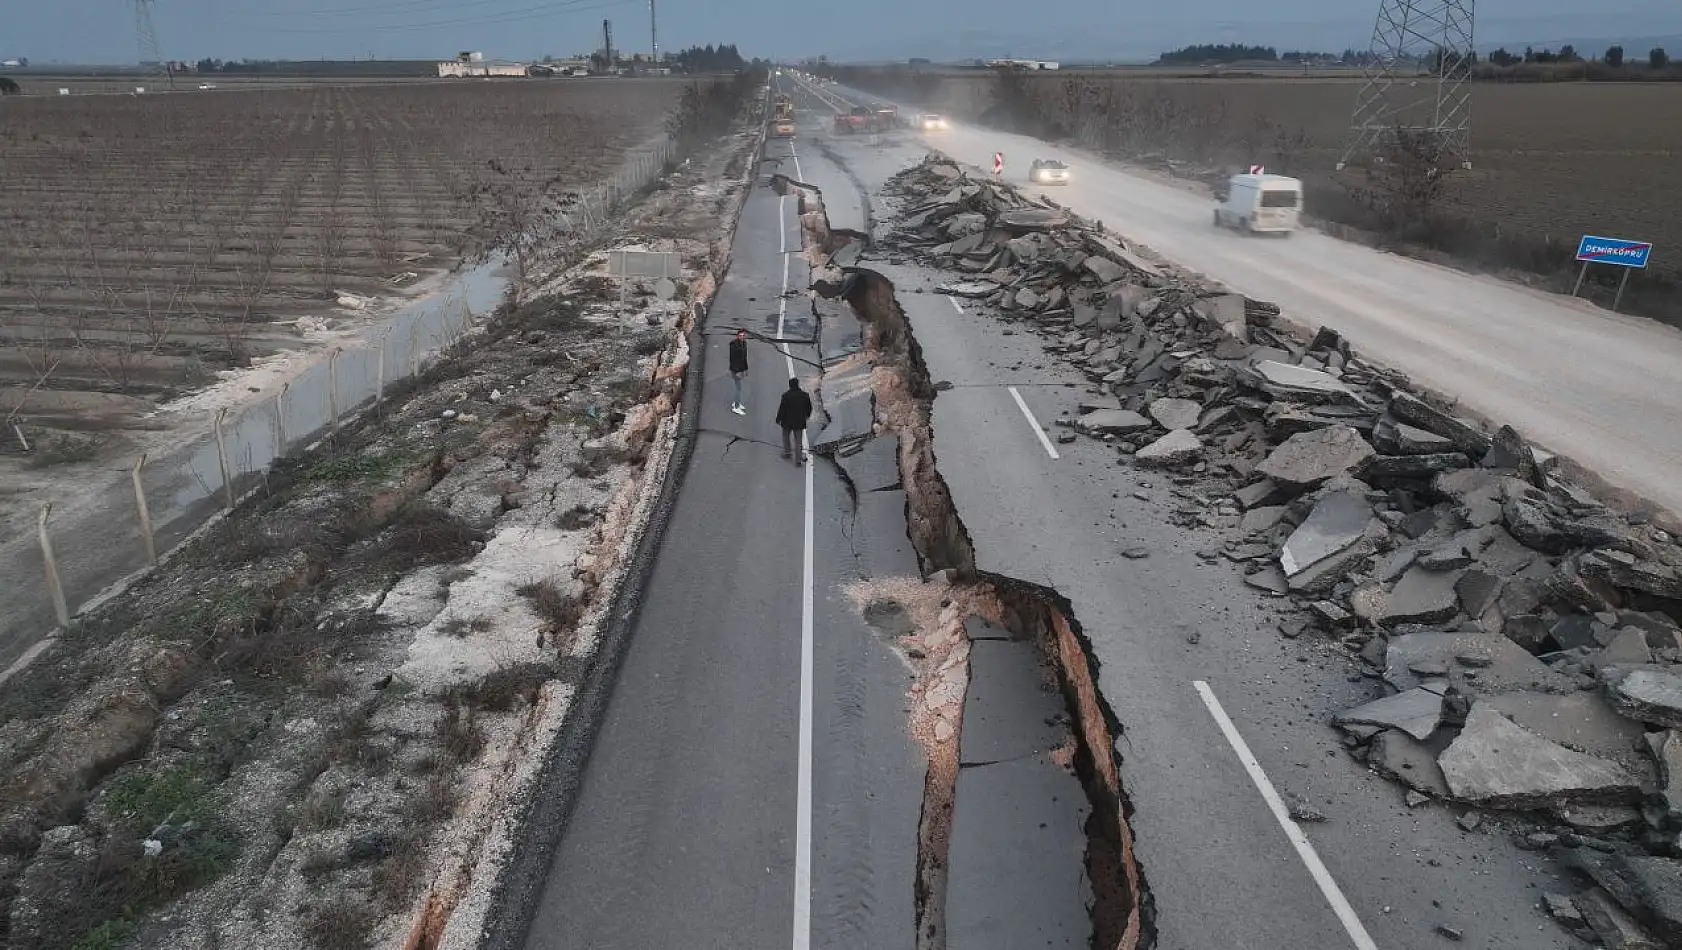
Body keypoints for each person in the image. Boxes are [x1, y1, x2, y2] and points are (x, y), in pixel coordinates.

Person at [775, 377, 813, 466]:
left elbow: (782, 409)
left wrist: (778, 419)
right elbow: (809, 408)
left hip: (787, 421)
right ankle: (798, 460)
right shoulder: (804, 395)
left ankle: (787, 453)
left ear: (790, 385)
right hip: (799, 421)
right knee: (798, 441)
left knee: (786, 437)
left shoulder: (786, 396)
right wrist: (807, 416)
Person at [727, 329, 749, 415]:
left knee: (738, 388)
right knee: (738, 389)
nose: (742, 337)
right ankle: (736, 407)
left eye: (743, 336)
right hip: (736, 370)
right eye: (740, 336)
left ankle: (737, 403)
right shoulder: (734, 346)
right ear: (737, 336)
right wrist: (737, 372)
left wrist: (746, 369)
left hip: (740, 369)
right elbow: (733, 360)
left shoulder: (744, 344)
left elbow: (744, 358)